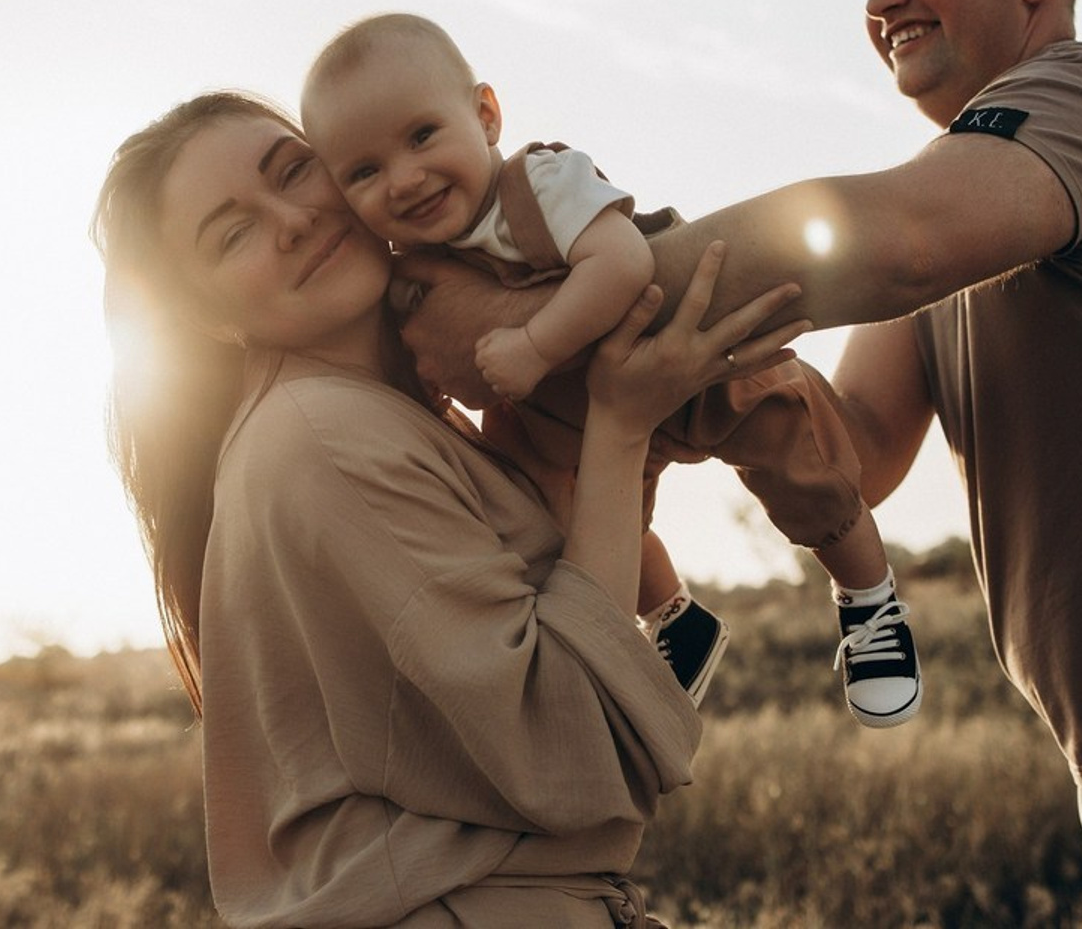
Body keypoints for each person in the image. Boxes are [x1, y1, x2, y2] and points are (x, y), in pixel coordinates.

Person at [397, 0, 1082, 819]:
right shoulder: (976, 185)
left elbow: (897, 239)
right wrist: (639, 400)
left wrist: (529, 317)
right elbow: (858, 450)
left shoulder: (1061, 103)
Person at [91, 90, 808, 926]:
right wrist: (620, 420)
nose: (289, 219)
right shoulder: (324, 437)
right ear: (208, 318)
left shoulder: (398, 414)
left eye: (294, 172)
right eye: (234, 233)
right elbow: (561, 747)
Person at [301, 12, 924, 728]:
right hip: (572, 419)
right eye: (365, 171)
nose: (405, 179)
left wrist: (534, 345)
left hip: (694, 359)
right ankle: (675, 618)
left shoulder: (541, 182)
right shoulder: (408, 270)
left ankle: (868, 600)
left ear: (485, 115)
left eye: (421, 137)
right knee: (568, 520)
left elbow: (622, 262)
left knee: (806, 467)